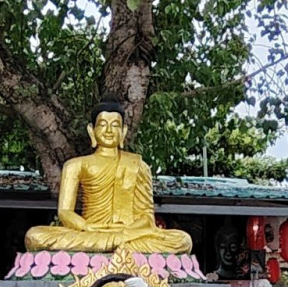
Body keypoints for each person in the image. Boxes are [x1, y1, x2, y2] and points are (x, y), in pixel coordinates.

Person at [23, 97, 193, 253]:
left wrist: (124, 232)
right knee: (35, 236)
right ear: (92, 130)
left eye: (115, 125)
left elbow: (146, 216)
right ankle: (115, 246)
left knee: (182, 240)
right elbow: (65, 212)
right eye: (103, 124)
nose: (109, 130)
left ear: (123, 131)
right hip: (89, 231)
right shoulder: (75, 165)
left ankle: (109, 245)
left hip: (127, 233)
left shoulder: (138, 166)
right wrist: (87, 227)